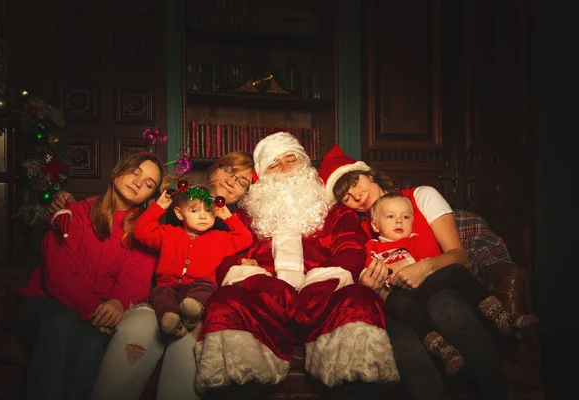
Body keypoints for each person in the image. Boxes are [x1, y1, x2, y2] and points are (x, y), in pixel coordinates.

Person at [194, 131, 400, 400]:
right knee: (226, 302)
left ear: (306, 165)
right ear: (262, 178)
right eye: (274, 164)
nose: (285, 168)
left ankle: (355, 390)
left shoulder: (335, 212)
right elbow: (225, 258)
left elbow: (350, 248)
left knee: (359, 300)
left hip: (323, 304)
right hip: (264, 306)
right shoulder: (246, 217)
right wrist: (260, 282)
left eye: (291, 159)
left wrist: (323, 283)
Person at [318, 144, 516, 399]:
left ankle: (498, 391)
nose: (356, 196)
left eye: (355, 182)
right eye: (346, 197)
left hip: (441, 289)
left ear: (368, 174)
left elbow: (459, 258)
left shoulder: (422, 196)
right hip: (400, 305)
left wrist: (422, 267)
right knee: (399, 337)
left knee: (443, 306)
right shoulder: (360, 231)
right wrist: (370, 286)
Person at [89, 150, 256, 400]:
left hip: (200, 309)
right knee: (142, 327)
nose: (232, 181)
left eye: (242, 182)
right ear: (214, 169)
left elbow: (245, 242)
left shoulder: (237, 226)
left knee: (188, 340)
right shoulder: (171, 209)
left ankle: (188, 315)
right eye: (229, 171)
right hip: (157, 300)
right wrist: (160, 204)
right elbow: (139, 234)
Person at [12, 152, 165, 400]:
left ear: (150, 196)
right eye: (135, 172)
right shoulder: (72, 213)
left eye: (149, 184)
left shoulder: (144, 232)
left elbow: (136, 278)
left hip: (92, 319)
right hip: (44, 307)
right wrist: (96, 310)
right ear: (118, 170)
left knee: (92, 342)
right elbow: (59, 276)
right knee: (63, 322)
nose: (139, 182)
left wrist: (117, 303)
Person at [366, 192, 537, 376]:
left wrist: (414, 265)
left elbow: (430, 260)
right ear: (375, 225)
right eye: (391, 217)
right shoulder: (372, 247)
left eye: (405, 217)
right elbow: (368, 273)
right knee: (399, 304)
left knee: (455, 269)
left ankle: (499, 315)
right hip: (400, 294)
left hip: (425, 286)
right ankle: (439, 347)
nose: (399, 221)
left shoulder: (416, 239)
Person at [133, 180, 253, 337]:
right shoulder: (168, 233)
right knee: (159, 293)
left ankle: (193, 311)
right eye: (194, 211)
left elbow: (245, 238)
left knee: (207, 287)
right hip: (169, 287)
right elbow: (141, 231)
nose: (203, 216)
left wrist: (228, 216)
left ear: (215, 213)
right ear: (179, 213)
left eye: (208, 211)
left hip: (199, 288)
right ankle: (171, 319)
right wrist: (159, 207)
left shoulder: (221, 238)